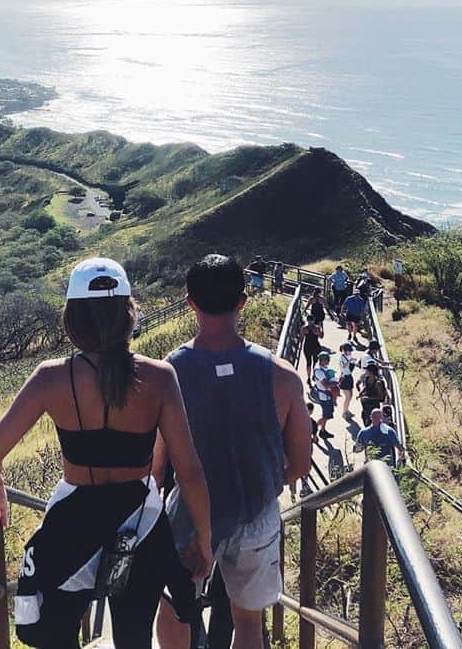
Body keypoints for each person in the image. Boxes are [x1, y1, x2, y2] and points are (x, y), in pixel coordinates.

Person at [0, 258, 212, 649]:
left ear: (72, 319)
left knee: (58, 634)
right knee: (134, 637)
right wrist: (204, 539)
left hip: (72, 521)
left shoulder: (50, 378)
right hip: (142, 522)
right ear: (128, 314)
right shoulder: (158, 377)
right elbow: (189, 472)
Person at [154, 254, 311, 649]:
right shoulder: (284, 377)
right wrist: (268, 480)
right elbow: (302, 462)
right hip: (256, 512)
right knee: (249, 624)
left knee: (175, 607)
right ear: (243, 301)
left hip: (187, 515)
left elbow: (156, 467)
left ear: (190, 303)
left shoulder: (167, 375)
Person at [311, 351, 339, 439]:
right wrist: (337, 382)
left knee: (326, 415)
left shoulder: (323, 369)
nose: (328, 361)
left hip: (327, 396)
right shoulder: (319, 371)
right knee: (325, 416)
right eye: (327, 359)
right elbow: (326, 385)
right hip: (324, 396)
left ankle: (322, 431)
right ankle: (313, 428)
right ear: (321, 360)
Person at [337, 342, 356, 417]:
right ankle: (344, 412)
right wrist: (349, 360)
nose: (350, 352)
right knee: (347, 397)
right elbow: (344, 366)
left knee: (350, 395)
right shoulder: (342, 358)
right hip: (345, 378)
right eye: (349, 351)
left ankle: (347, 410)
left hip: (349, 376)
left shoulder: (349, 356)